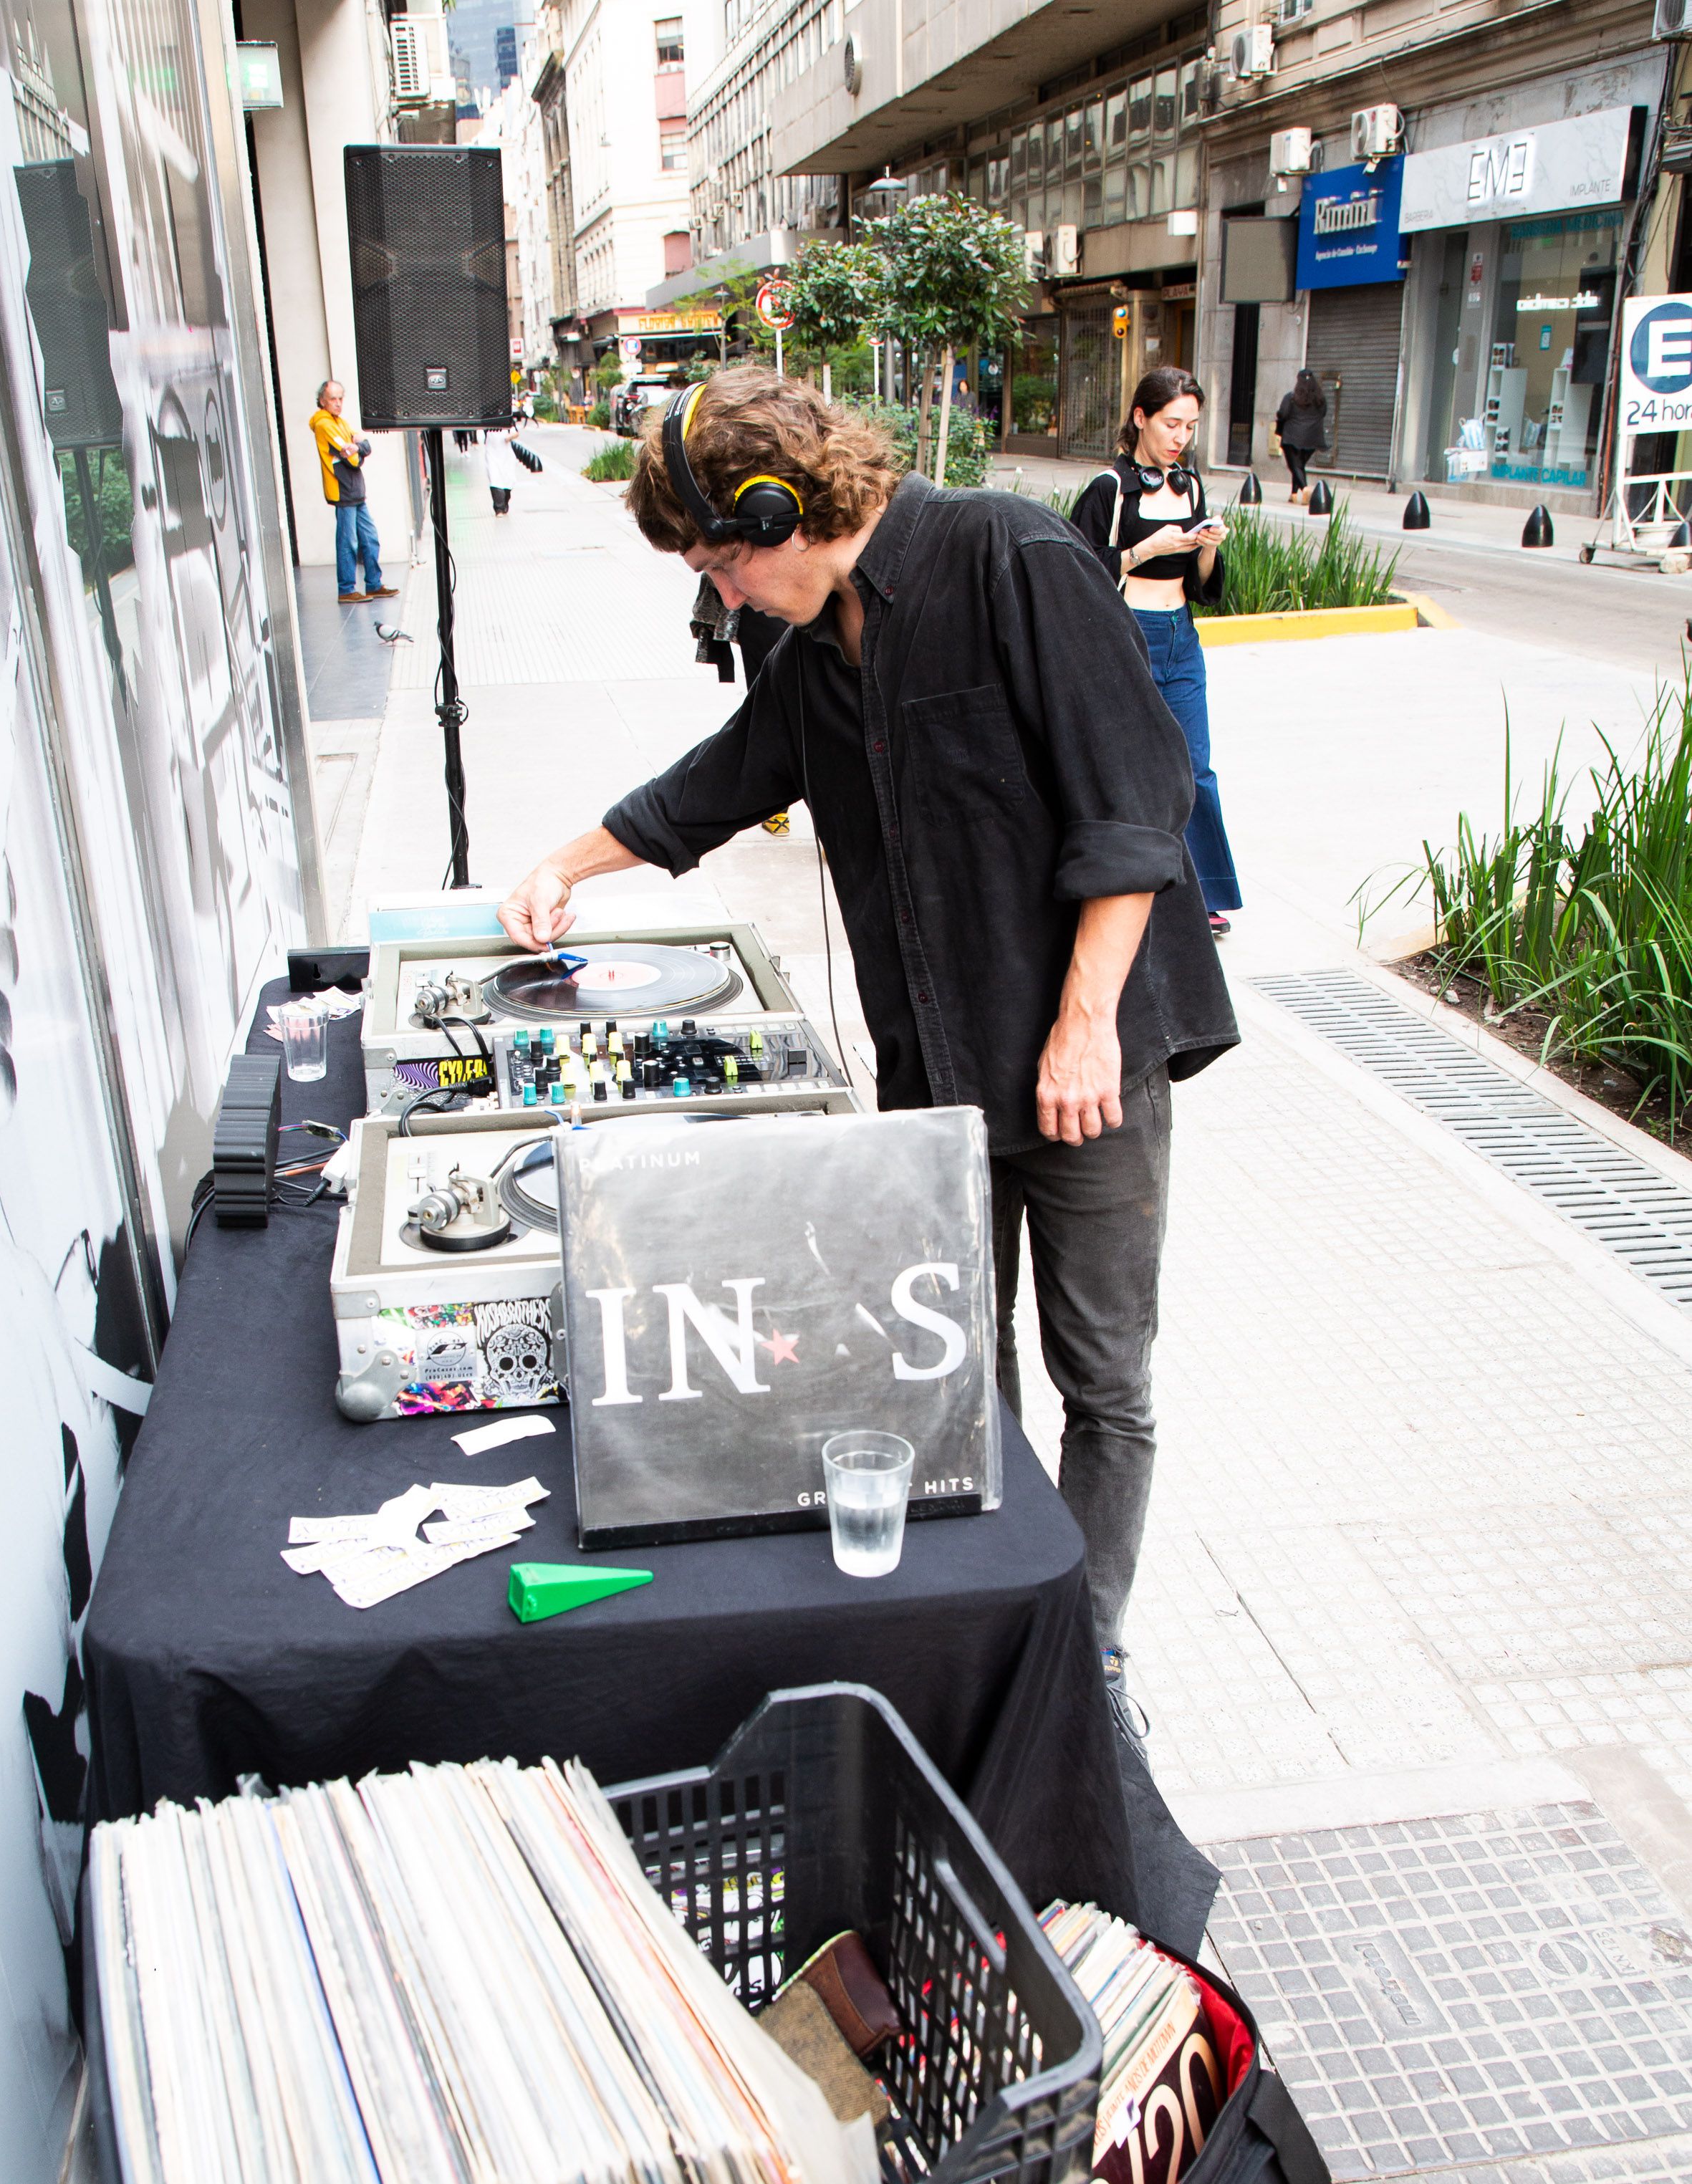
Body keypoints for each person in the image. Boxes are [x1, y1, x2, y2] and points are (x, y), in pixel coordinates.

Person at [496, 370, 1238, 1740]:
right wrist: (567, 863)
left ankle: (1088, 1653)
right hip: (938, 1065)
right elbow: (713, 785)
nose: (723, 595)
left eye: (726, 560)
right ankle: (991, 1622)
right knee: (956, 1369)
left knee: (1103, 1379)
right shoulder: (808, 651)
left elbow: (1138, 803)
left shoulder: (1007, 555)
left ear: (789, 507)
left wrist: (1081, 1028)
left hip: (1084, 1058)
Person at [1070, 370, 1244, 938]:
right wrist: (1142, 549)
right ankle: (1127, 885)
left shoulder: (1189, 486)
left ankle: (1205, 894)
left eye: (1190, 427)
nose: (1180, 438)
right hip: (1129, 635)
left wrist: (1207, 551)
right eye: (1171, 423)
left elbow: (1201, 584)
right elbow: (1073, 572)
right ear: (1140, 417)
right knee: (1129, 769)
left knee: (1195, 769)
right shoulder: (1108, 488)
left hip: (1180, 635)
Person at [309, 381, 397, 602]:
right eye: (333, 399)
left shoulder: (340, 422)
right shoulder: (324, 424)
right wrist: (357, 447)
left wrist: (358, 446)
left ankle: (374, 585)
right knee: (348, 542)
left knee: (370, 538)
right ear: (322, 401)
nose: (338, 403)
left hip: (356, 492)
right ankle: (347, 589)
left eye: (340, 399)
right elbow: (354, 458)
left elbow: (363, 446)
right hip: (343, 491)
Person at [1273, 367, 1329, 499]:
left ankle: (1305, 489)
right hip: (1313, 438)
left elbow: (1283, 414)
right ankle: (1294, 494)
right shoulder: (1320, 399)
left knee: (1294, 465)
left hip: (1292, 437)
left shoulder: (1291, 397)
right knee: (1299, 465)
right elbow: (1323, 413)